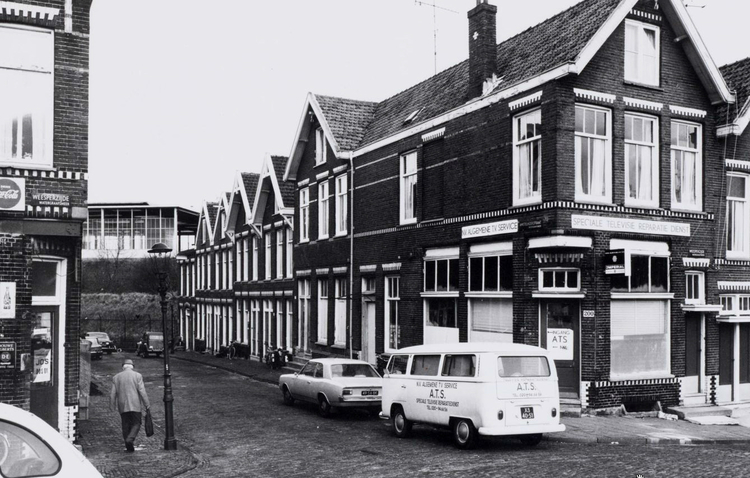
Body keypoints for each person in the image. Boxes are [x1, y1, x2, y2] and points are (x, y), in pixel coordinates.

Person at [110, 358, 150, 452]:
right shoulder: (137, 375)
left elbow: (112, 394)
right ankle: (130, 439)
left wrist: (112, 407)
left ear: (123, 367)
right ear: (132, 367)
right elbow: (142, 391)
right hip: (135, 405)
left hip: (122, 405)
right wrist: (146, 404)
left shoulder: (116, 377)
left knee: (125, 425)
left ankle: (129, 447)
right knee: (137, 423)